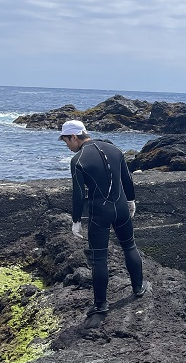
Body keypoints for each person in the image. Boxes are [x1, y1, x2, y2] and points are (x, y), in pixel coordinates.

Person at [59, 120, 147, 317]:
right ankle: (138, 288)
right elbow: (127, 178)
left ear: (74, 137)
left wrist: (76, 221)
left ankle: (101, 305)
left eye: (66, 141)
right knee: (130, 246)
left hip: (100, 213)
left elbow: (79, 195)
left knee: (99, 259)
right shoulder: (114, 149)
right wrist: (131, 200)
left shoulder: (78, 160)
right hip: (122, 207)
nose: (67, 146)